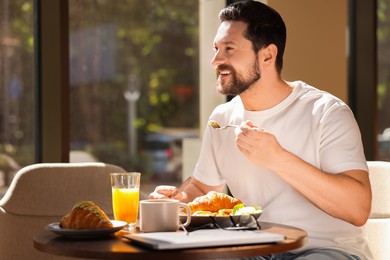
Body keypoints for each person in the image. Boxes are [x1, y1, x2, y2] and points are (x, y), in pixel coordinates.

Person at [150, 1, 373, 259]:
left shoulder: (326, 112)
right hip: (256, 249)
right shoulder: (222, 119)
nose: (215, 60)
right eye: (216, 49)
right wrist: (180, 198)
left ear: (267, 55)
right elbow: (202, 187)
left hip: (325, 249)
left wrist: (278, 159)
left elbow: (357, 209)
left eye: (229, 49)